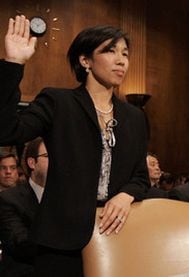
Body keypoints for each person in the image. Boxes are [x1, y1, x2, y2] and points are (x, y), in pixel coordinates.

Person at [0, 15, 149, 276]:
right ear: (85, 61)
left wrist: (126, 196)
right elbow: (6, 131)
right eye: (110, 51)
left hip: (117, 237)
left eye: (125, 53)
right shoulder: (59, 102)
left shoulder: (134, 116)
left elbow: (139, 176)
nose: (121, 60)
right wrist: (14, 64)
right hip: (61, 242)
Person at [0, 137, 48, 276]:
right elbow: (22, 245)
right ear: (32, 163)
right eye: (47, 156)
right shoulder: (9, 199)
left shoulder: (68, 197)